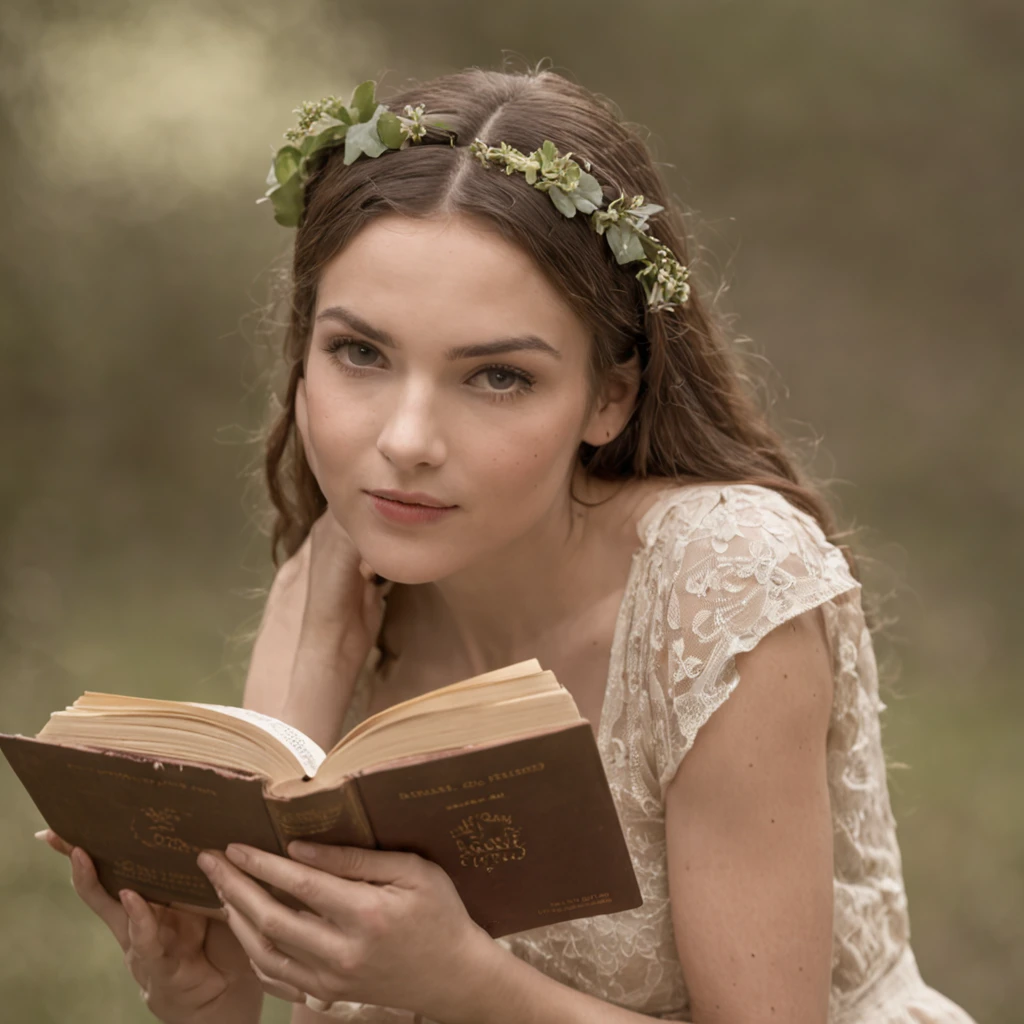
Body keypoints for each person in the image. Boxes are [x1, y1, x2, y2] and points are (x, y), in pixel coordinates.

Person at [38, 66, 979, 1023]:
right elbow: (276, 991)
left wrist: (462, 983)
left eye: (495, 377)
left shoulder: (722, 592)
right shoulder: (336, 592)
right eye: (360, 353)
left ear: (609, 397)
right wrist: (206, 998)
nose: (405, 441)